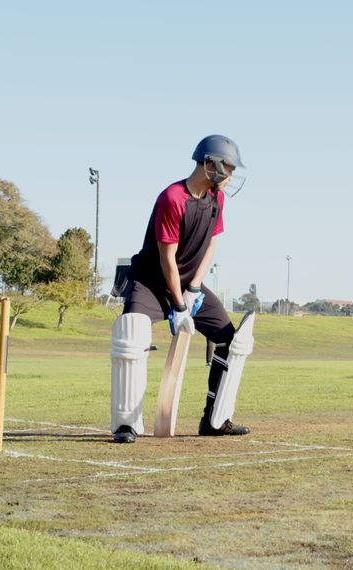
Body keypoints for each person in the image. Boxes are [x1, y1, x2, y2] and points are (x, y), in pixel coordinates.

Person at [109, 135, 253, 444]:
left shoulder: (217, 198)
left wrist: (195, 288)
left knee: (230, 340)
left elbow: (211, 244)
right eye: (228, 167)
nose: (231, 175)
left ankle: (215, 420)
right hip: (151, 281)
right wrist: (178, 305)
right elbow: (167, 258)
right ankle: (125, 425)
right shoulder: (172, 198)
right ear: (210, 164)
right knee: (131, 334)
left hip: (188, 282)